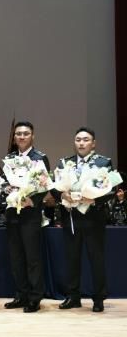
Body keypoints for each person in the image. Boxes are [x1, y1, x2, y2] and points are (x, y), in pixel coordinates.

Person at [53, 127, 113, 313]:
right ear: (74, 142)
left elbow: (111, 189)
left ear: (93, 143)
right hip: (71, 217)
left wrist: (93, 199)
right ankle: (73, 296)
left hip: (93, 218)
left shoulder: (103, 162)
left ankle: (99, 298)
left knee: (96, 259)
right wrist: (62, 195)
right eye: (78, 139)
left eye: (86, 140)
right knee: (71, 259)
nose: (81, 143)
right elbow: (54, 187)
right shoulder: (65, 163)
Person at [2, 121, 50, 313]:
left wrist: (32, 200)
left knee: (32, 258)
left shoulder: (40, 158)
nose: (22, 137)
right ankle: (21, 295)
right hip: (12, 213)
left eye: (26, 133)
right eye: (19, 134)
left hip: (30, 214)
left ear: (32, 136)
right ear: (14, 137)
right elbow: (3, 183)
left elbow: (45, 185)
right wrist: (7, 189)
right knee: (16, 258)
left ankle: (35, 297)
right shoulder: (9, 159)